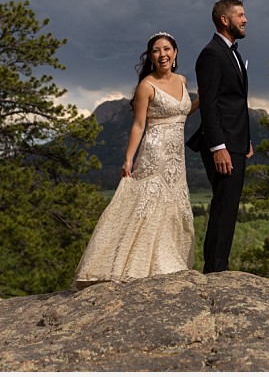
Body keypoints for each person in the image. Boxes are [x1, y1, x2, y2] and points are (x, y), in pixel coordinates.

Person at [73, 32, 200, 289]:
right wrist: (128, 159)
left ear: (175, 53)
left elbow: (183, 111)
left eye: (167, 49)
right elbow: (139, 124)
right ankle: (128, 265)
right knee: (147, 205)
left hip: (177, 157)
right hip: (154, 152)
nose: (162, 54)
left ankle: (168, 262)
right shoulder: (147, 86)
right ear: (150, 56)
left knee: (173, 205)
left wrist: (203, 100)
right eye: (156, 50)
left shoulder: (183, 81)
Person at [186, 0, 253, 273]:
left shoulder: (233, 53)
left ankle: (217, 267)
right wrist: (218, 146)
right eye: (240, 15)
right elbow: (210, 104)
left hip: (235, 141)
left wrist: (244, 137)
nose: (246, 19)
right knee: (224, 205)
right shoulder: (211, 54)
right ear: (225, 20)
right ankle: (214, 270)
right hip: (221, 144)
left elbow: (234, 103)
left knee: (228, 205)